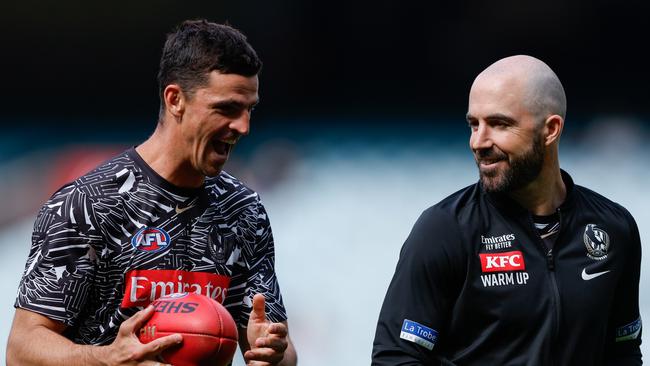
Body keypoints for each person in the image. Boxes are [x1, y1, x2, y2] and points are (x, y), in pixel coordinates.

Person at [7, 19, 297, 366]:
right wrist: (108, 359)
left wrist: (274, 352)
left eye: (249, 109)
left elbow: (281, 351)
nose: (244, 127)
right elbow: (21, 350)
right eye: (227, 108)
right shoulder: (87, 204)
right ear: (175, 99)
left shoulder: (244, 211)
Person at [372, 55, 642, 365]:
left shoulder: (614, 228)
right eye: (474, 124)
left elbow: (623, 351)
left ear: (551, 129)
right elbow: (396, 358)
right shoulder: (444, 229)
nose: (479, 141)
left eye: (499, 124)